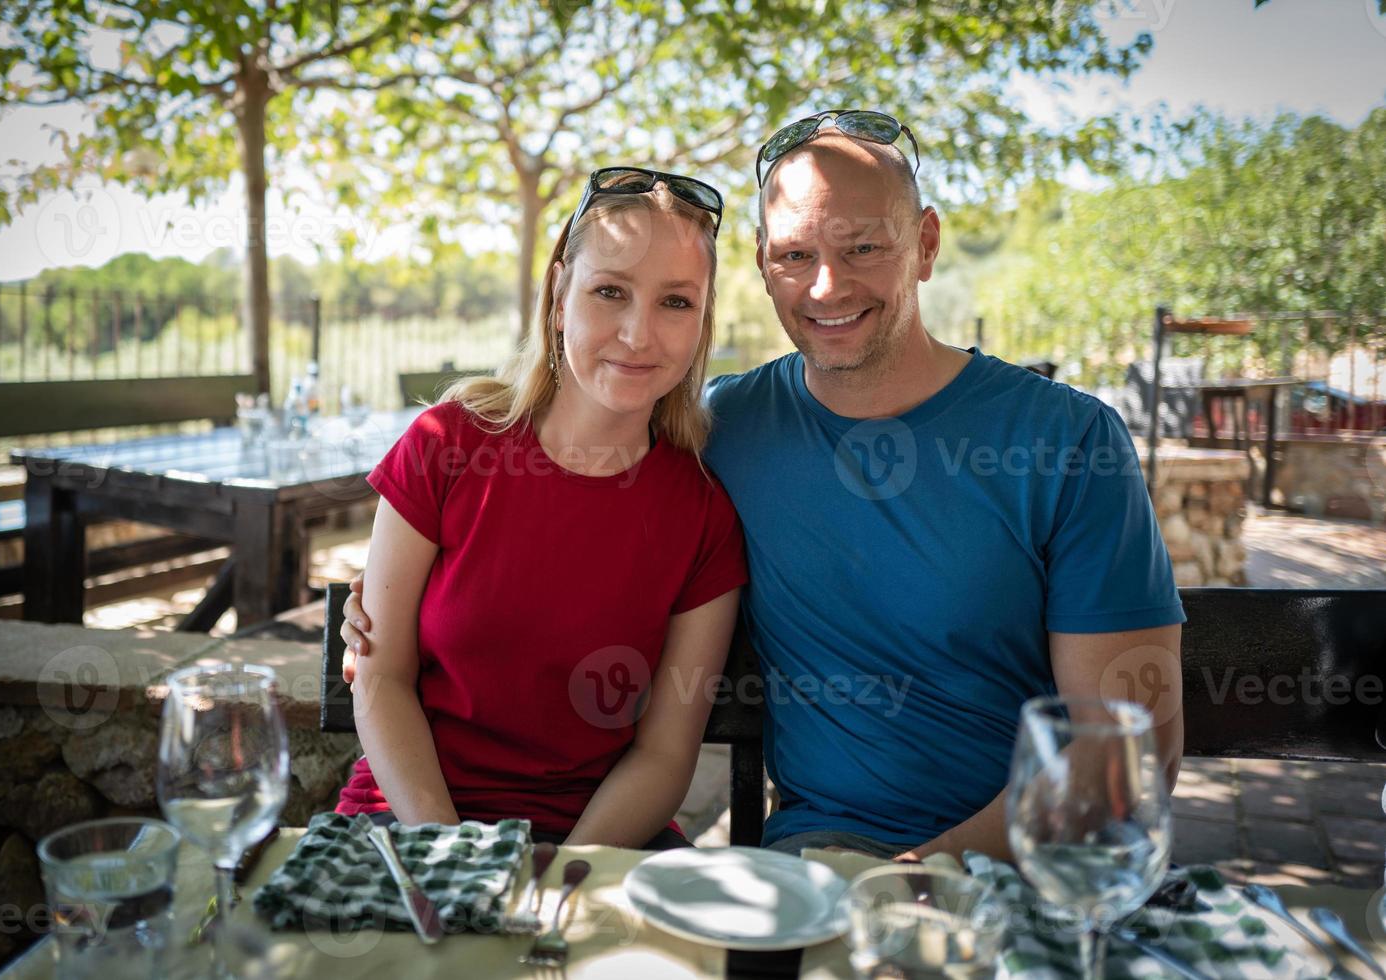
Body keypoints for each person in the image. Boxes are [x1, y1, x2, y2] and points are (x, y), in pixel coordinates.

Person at [343, 111, 1185, 861]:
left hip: (1022, 860)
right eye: (795, 255)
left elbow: (1129, 746)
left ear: (926, 244)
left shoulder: (1066, 440)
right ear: (763, 266)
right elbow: (540, 531)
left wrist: (922, 883)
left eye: (863, 247)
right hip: (816, 855)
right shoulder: (730, 429)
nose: (827, 285)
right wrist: (384, 592)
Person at [334, 166, 747, 850]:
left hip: (601, 838)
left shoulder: (703, 514)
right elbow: (380, 681)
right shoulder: (446, 445)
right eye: (609, 292)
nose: (639, 334)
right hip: (409, 815)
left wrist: (559, 877)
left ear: (703, 320)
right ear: (559, 297)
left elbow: (665, 755)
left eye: (676, 302)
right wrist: (456, 858)